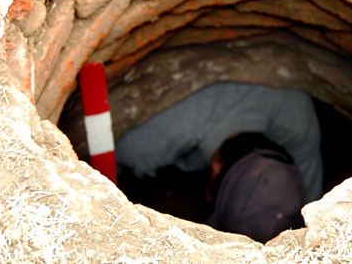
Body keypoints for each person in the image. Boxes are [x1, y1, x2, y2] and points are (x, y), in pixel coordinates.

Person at [115, 81, 323, 238]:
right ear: (214, 169)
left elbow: (311, 210)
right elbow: (118, 156)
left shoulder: (298, 122)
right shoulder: (147, 142)